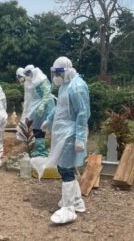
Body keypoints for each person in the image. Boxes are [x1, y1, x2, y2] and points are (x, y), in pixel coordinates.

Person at [30, 57, 90, 224]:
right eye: (54, 72)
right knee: (65, 167)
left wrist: (80, 137)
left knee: (65, 168)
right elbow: (60, 106)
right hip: (62, 132)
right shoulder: (66, 85)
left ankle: (69, 208)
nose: (55, 76)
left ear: (66, 70)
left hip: (70, 133)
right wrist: (49, 119)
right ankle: (77, 202)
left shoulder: (77, 87)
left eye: (58, 72)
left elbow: (83, 114)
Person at [16, 65, 55, 157]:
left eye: (28, 73)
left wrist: (42, 105)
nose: (27, 76)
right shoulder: (33, 80)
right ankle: (39, 149)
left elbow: (47, 93)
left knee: (47, 127)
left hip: (46, 105)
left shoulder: (42, 79)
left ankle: (47, 150)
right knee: (37, 126)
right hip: (38, 106)